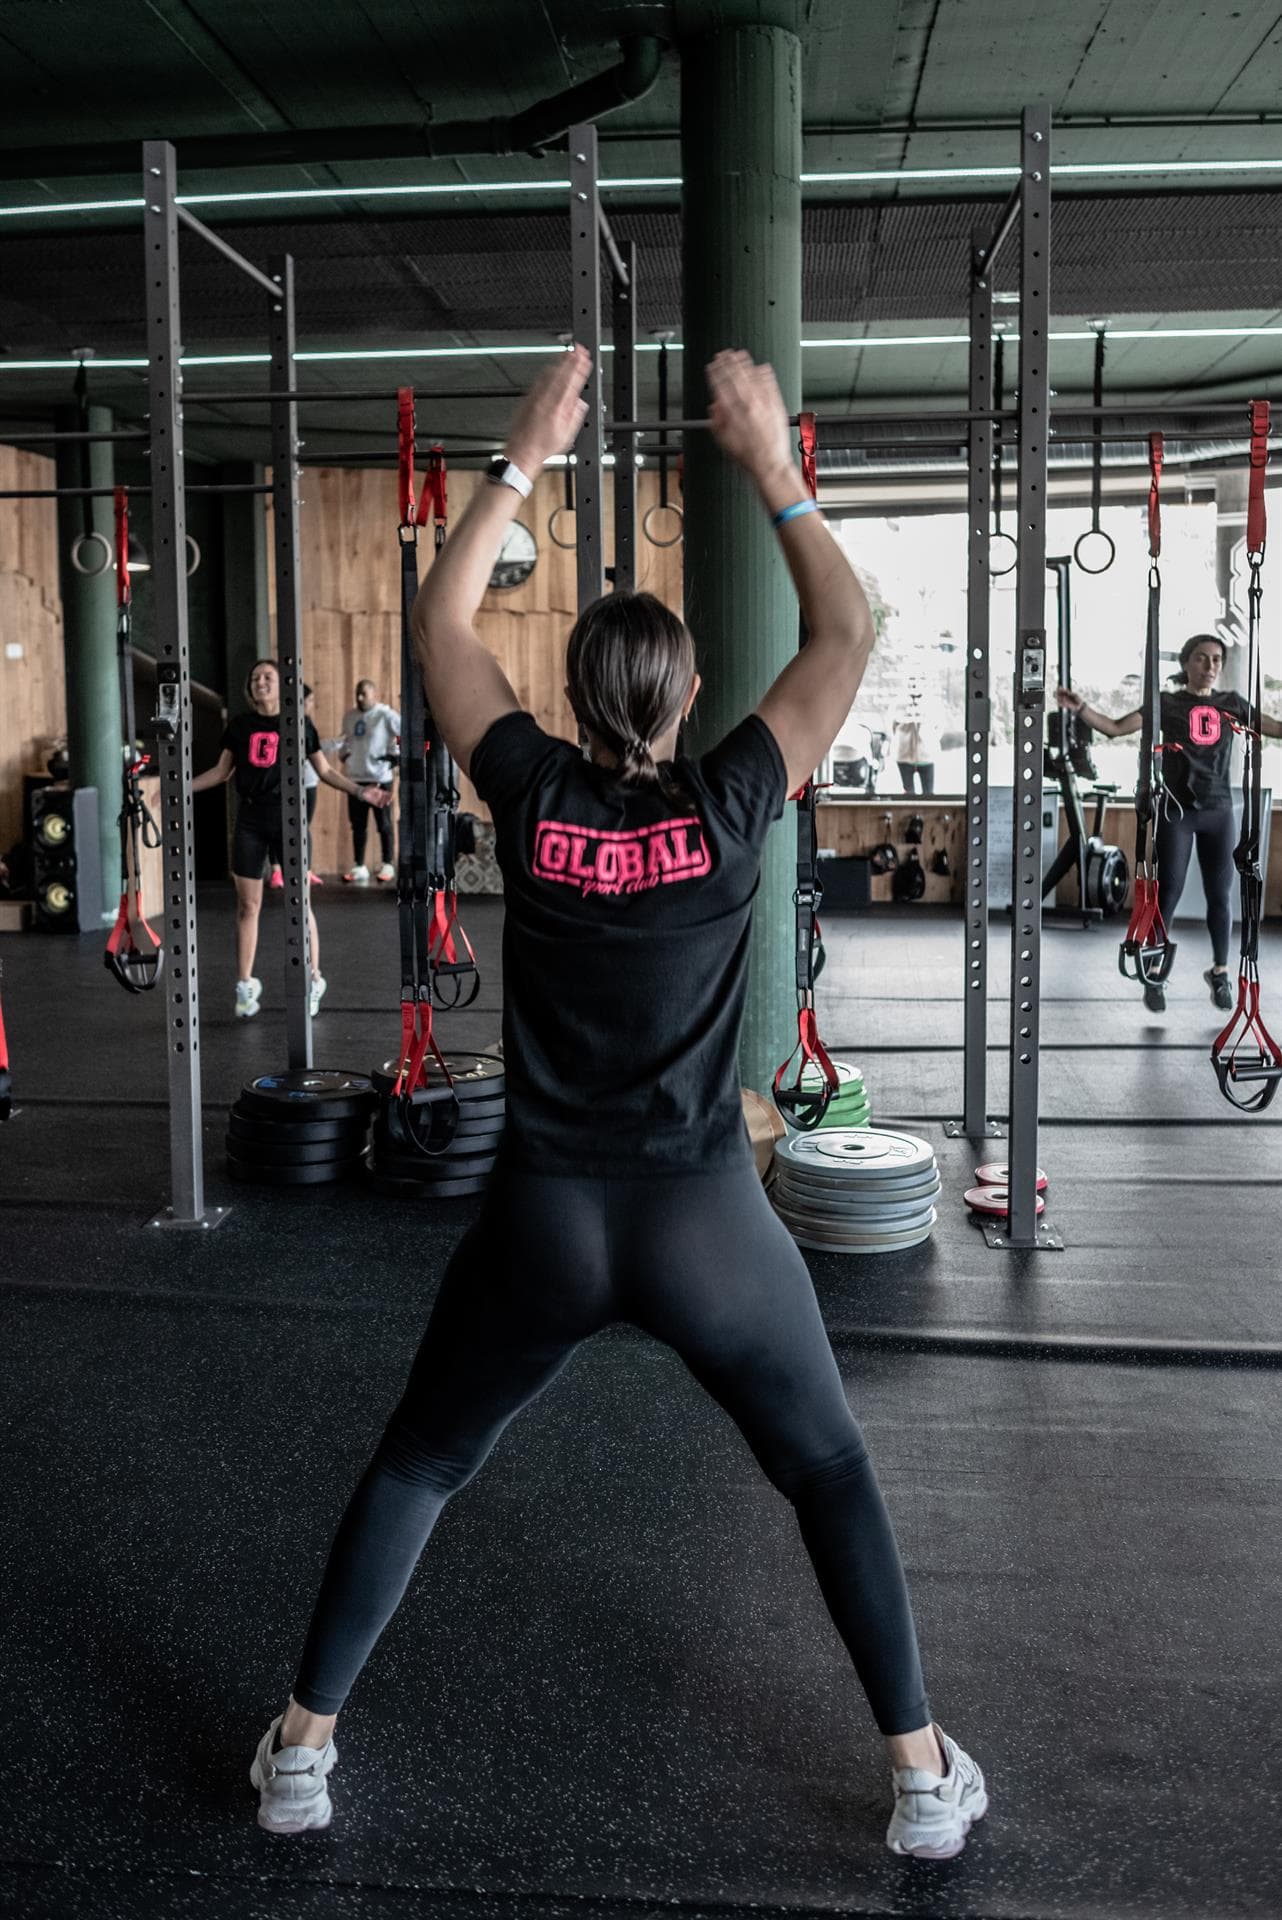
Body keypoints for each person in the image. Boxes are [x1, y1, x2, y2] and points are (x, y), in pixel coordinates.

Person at [250, 350, 987, 1863]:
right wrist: (771, 463)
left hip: (543, 1217)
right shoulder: (732, 803)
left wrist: (520, 454)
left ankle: (301, 1753)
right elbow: (850, 626)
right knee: (828, 1466)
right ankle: (920, 1780)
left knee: (419, 1459)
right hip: (704, 1217)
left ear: (573, 699)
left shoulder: (526, 794)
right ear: (693, 698)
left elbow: (438, 626)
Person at [1057, 632, 1282, 1014]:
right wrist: (1081, 710)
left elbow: (1276, 729)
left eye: (1216, 660)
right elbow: (1115, 727)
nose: (1209, 666)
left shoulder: (1233, 705)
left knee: (1220, 895)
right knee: (1168, 894)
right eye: (1201, 658)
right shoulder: (1167, 703)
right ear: (1186, 663)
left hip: (1219, 811)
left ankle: (1221, 971)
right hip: (1177, 811)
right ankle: (1156, 970)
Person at [193, 660, 389, 1019]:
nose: (261, 683)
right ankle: (245, 985)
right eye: (255, 678)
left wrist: (363, 794)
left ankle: (313, 978)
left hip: (288, 817)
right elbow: (222, 772)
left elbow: (325, 771)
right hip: (250, 819)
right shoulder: (239, 726)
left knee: (298, 904)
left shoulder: (299, 724)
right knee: (247, 906)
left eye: (268, 677)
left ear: (282, 687)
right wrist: (178, 788)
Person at [338, 679, 400, 882]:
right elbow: (346, 740)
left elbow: (405, 735)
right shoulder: (350, 716)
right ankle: (359, 866)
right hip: (356, 780)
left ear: (375, 694)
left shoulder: (386, 715)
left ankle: (388, 864)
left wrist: (395, 757)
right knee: (357, 825)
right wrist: (345, 754)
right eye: (358, 693)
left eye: (364, 693)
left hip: (380, 778)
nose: (360, 697)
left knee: (384, 824)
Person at [269, 685, 324, 890]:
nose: (309, 705)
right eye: (307, 701)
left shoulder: (307, 724)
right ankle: (276, 871)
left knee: (303, 826)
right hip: (282, 784)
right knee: (276, 828)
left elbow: (320, 761)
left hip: (308, 781)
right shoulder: (280, 723)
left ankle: (306, 870)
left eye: (310, 701)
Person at [892, 685, 939, 794]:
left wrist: (930, 741)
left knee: (928, 794)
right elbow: (892, 725)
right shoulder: (899, 703)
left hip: (927, 756)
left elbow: (939, 726)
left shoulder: (932, 702)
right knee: (908, 794)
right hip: (904, 756)